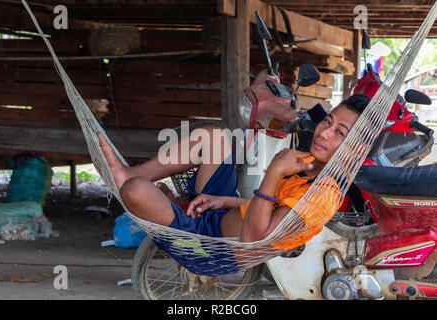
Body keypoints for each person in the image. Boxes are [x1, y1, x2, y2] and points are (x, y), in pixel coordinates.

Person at [97, 74, 370, 271]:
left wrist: (274, 171)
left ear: (357, 150)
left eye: (339, 133)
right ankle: (133, 173)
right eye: (327, 121)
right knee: (215, 137)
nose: (323, 132)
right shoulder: (306, 165)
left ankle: (160, 201)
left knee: (134, 191)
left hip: (211, 248)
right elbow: (267, 207)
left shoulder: (321, 196)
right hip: (215, 217)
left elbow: (253, 242)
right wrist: (224, 201)